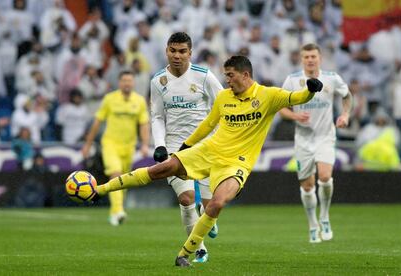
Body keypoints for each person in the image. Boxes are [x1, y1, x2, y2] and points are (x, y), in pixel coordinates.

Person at [91, 55, 322, 266]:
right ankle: (100, 190)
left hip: (237, 164)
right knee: (160, 169)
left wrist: (311, 90)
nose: (227, 81)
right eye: (225, 76)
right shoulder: (223, 97)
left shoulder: (269, 96)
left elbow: (297, 96)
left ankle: (184, 253)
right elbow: (208, 125)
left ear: (245, 75)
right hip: (209, 151)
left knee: (217, 203)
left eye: (230, 75)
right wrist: (185, 147)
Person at [150, 32, 224, 263]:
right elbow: (157, 117)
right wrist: (160, 145)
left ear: (190, 53)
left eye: (182, 51)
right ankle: (199, 248)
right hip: (175, 148)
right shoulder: (158, 81)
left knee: (212, 205)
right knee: (186, 198)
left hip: (205, 147)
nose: (177, 56)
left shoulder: (204, 77)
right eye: (173, 50)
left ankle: (206, 213)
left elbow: (225, 106)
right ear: (167, 51)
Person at [279, 43, 352, 243]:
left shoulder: (331, 78)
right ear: (301, 59)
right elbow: (280, 107)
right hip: (303, 140)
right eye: (306, 57)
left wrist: (345, 114)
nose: (310, 59)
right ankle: (313, 224)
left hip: (325, 136)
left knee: (326, 177)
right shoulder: (292, 80)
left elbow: (347, 95)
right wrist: (295, 117)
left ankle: (325, 216)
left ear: (320, 58)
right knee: (308, 187)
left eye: (313, 56)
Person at [82, 70, 150, 226]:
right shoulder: (110, 99)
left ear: (133, 83)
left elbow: (144, 124)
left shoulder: (139, 101)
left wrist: (145, 144)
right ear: (119, 83)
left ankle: (115, 212)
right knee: (115, 173)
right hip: (110, 144)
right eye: (124, 80)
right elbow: (97, 122)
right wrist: (87, 144)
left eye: (129, 80)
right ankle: (118, 210)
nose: (127, 83)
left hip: (129, 146)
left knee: (123, 180)